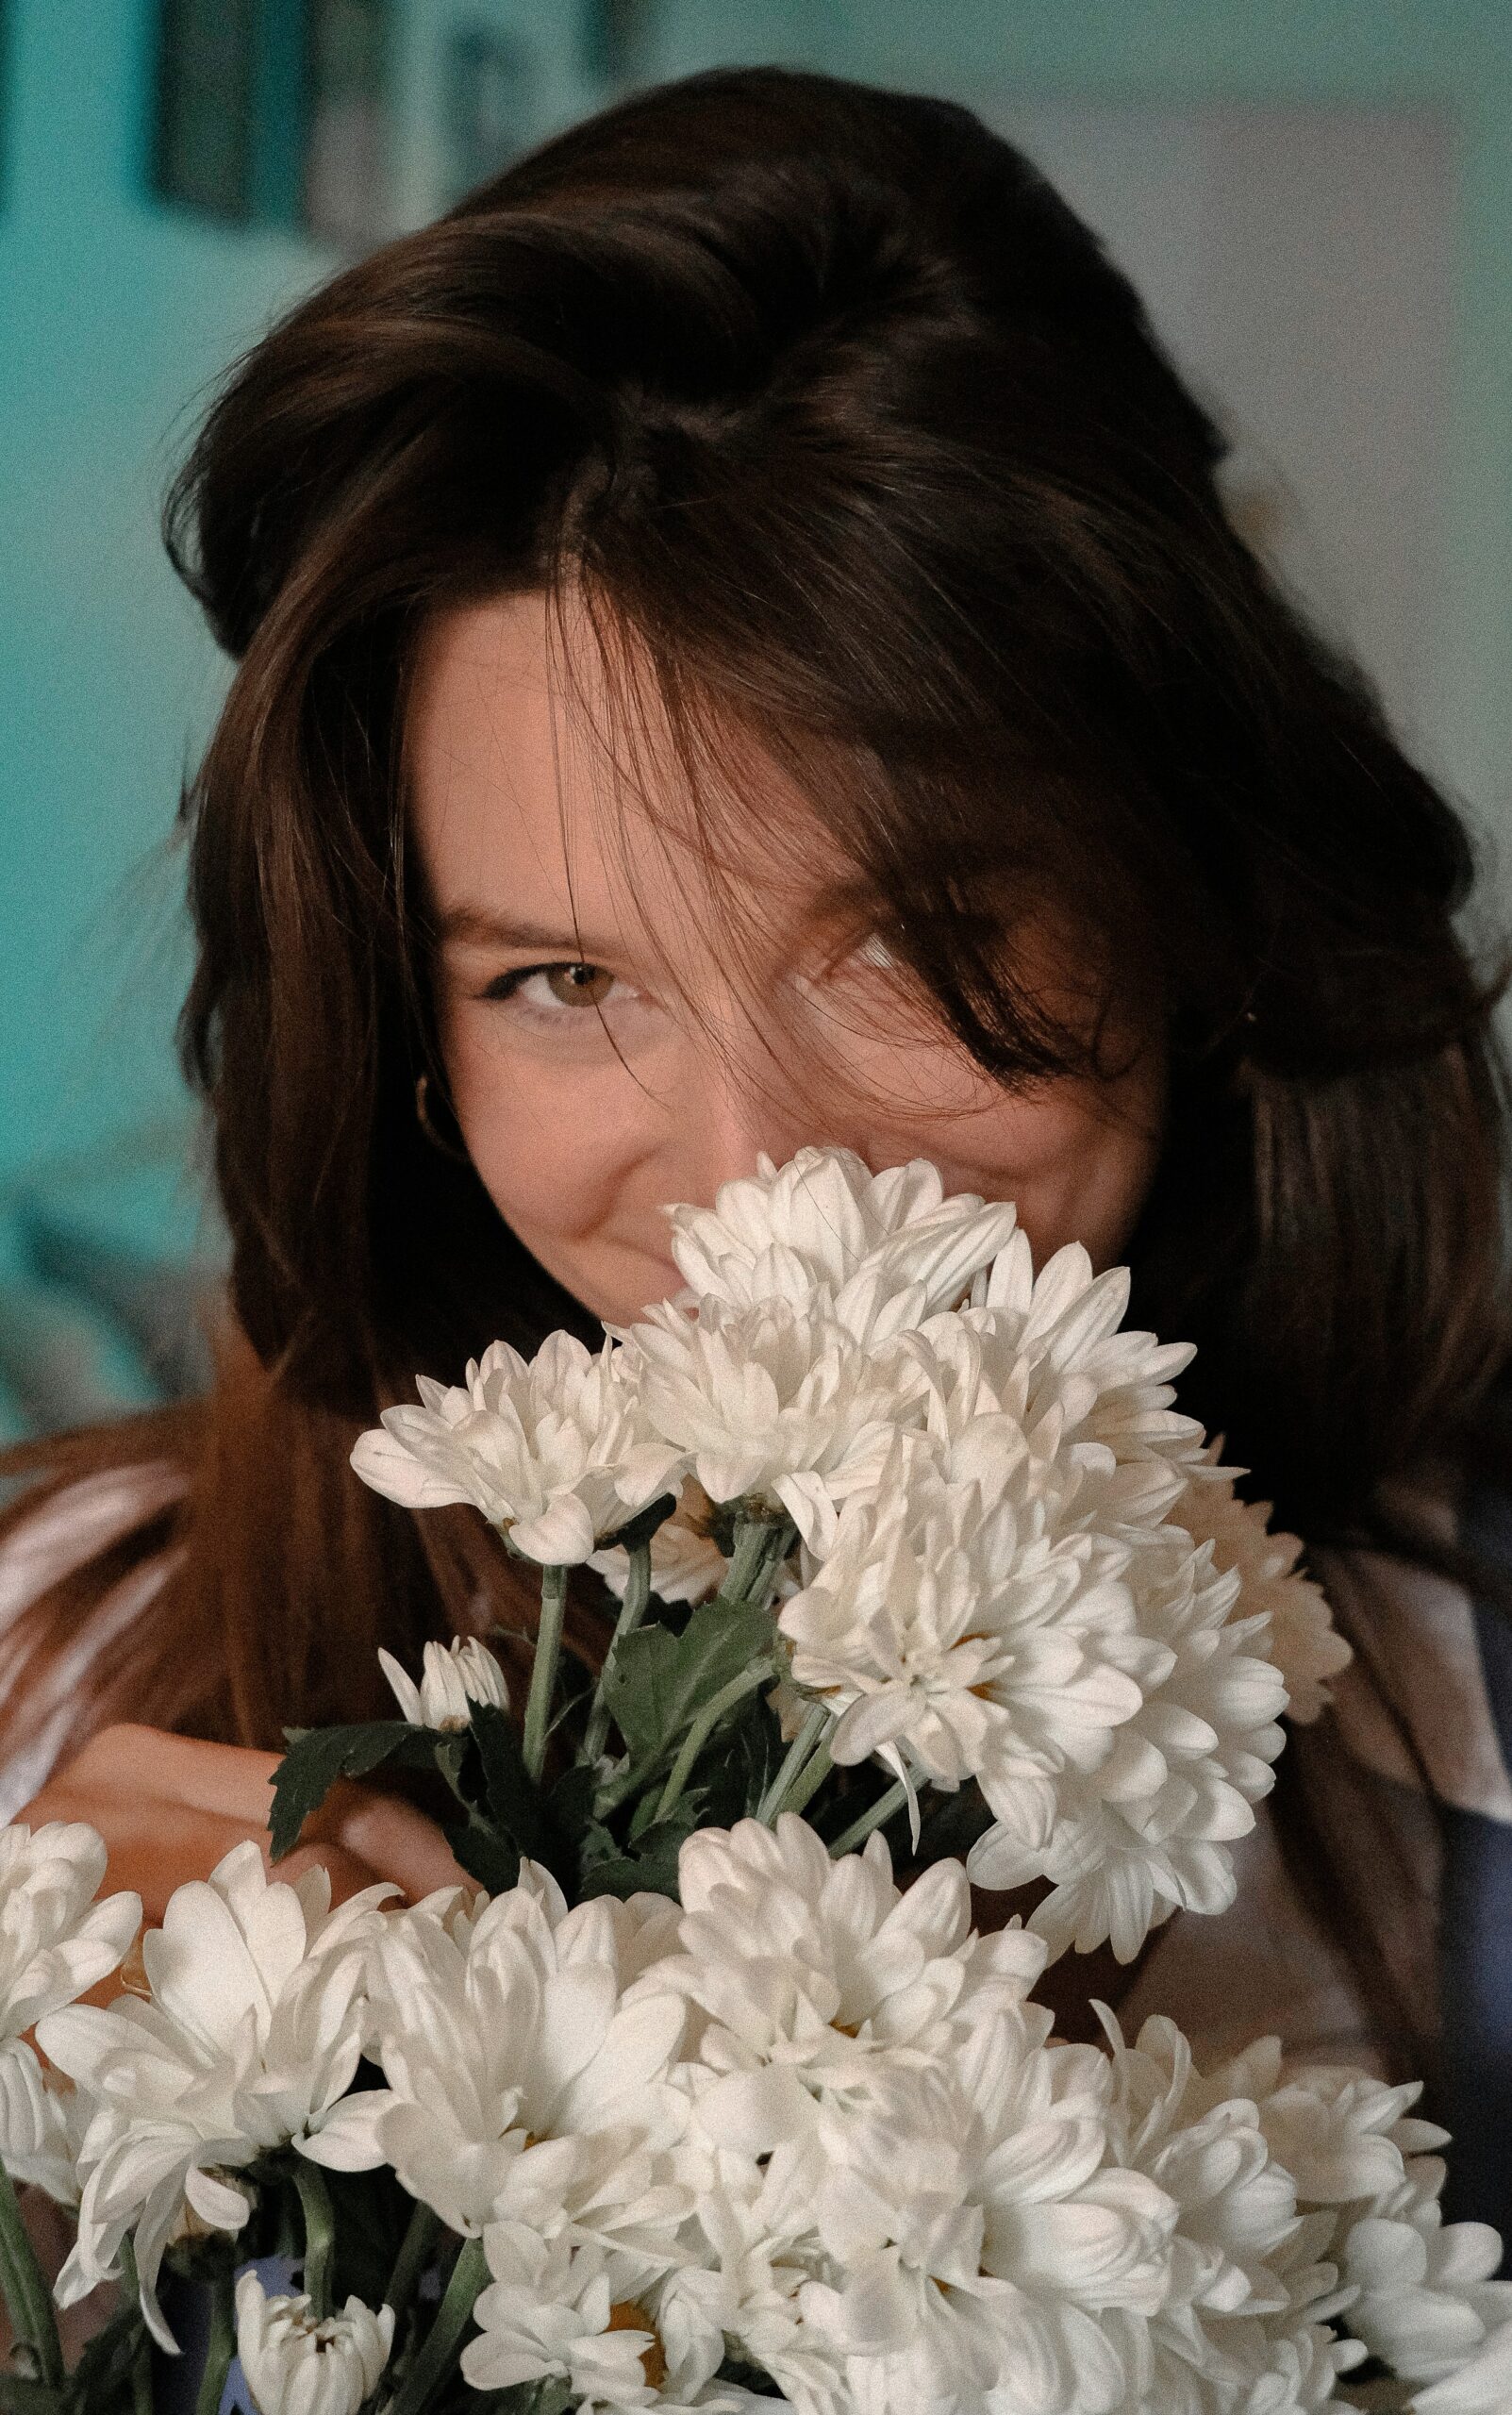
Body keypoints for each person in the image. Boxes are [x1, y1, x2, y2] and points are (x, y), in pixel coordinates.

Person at [4, 63, 1511, 2240]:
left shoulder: (1457, 1736)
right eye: (559, 980)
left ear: (1192, 894)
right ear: (402, 1038)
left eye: (904, 940)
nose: (763, 1177)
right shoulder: (58, 1674)